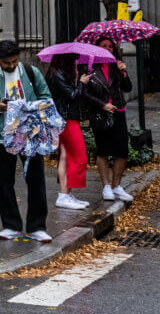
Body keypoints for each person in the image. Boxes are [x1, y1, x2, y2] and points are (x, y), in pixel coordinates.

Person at [0, 39, 53, 241]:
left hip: (30, 135)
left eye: (13, 61)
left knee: (36, 180)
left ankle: (36, 226)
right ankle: (11, 225)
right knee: (5, 181)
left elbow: (46, 97)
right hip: (2, 137)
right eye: (6, 63)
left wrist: (30, 106)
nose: (10, 66)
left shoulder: (31, 72)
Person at [87, 36, 134, 202]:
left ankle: (116, 186)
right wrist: (102, 105)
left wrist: (124, 72)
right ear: (97, 48)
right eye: (104, 46)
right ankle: (106, 186)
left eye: (110, 46)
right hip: (100, 113)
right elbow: (85, 94)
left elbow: (128, 88)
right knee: (103, 150)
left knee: (122, 151)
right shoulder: (90, 67)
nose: (108, 49)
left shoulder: (116, 66)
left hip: (118, 111)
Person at [46, 53, 94, 210]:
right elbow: (73, 96)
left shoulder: (58, 73)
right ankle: (64, 194)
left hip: (64, 119)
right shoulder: (58, 75)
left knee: (65, 157)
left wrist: (75, 80)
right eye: (74, 61)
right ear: (66, 61)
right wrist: (80, 83)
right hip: (66, 120)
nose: (76, 64)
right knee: (80, 158)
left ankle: (64, 194)